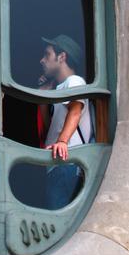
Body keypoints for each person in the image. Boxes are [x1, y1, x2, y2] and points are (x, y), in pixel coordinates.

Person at [37, 34, 92, 208]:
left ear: (62, 57)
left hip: (68, 161)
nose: (42, 60)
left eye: (47, 55)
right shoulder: (59, 88)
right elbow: (50, 127)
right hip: (57, 163)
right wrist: (44, 98)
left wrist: (62, 142)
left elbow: (75, 111)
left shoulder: (74, 81)